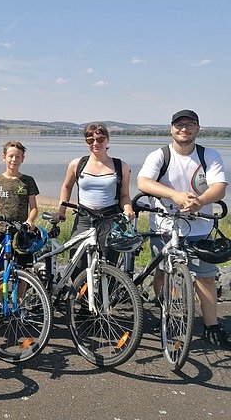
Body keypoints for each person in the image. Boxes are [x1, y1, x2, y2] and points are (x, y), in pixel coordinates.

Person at [137, 109, 230, 348]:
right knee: (163, 274)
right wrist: (174, 195)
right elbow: (144, 182)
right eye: (179, 125)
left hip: (200, 226)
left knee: (206, 278)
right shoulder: (160, 155)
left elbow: (219, 186)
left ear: (198, 129)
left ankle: (212, 325)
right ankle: (167, 313)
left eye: (190, 125)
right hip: (164, 227)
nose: (184, 129)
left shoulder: (208, 155)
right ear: (171, 128)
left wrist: (199, 200)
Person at [54, 122, 135, 265]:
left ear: (107, 140)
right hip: (84, 218)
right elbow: (66, 186)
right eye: (90, 140)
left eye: (100, 139)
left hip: (110, 218)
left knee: (108, 265)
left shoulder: (121, 166)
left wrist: (128, 209)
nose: (95, 143)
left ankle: (108, 288)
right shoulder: (77, 164)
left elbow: (124, 195)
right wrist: (61, 211)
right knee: (77, 263)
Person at [0, 141, 40, 266]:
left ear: (23, 159)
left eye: (18, 157)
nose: (14, 159)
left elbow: (34, 208)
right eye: (11, 156)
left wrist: (30, 221)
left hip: (22, 231)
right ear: (4, 157)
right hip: (1, 230)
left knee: (23, 269)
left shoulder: (28, 181)